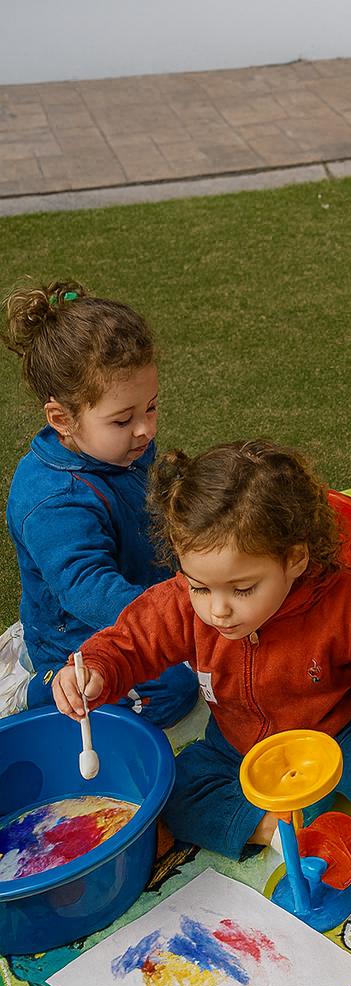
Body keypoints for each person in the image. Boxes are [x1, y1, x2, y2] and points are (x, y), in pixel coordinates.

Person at [50, 440, 351, 961]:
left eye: (243, 589)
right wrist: (96, 670)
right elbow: (132, 640)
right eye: (200, 586)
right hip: (243, 739)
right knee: (174, 791)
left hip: (346, 728)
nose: (218, 610)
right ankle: (281, 829)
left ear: (294, 559)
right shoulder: (188, 603)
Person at [4, 279, 198, 728]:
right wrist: (179, 615)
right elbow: (89, 590)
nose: (145, 430)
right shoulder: (54, 500)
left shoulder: (118, 445)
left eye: (151, 407)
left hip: (144, 594)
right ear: (62, 419)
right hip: (81, 635)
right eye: (123, 419)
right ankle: (38, 689)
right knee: (176, 690)